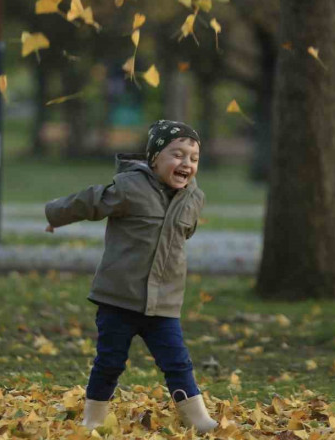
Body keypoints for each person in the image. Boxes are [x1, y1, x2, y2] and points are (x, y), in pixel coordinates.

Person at [44, 120, 217, 434]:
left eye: (193, 158)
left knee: (178, 363)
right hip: (118, 300)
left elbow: (184, 234)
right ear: (154, 159)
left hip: (163, 304)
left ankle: (197, 418)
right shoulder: (128, 187)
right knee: (109, 363)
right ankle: (93, 418)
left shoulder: (194, 199)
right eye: (177, 155)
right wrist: (56, 214)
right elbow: (90, 201)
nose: (186, 164)